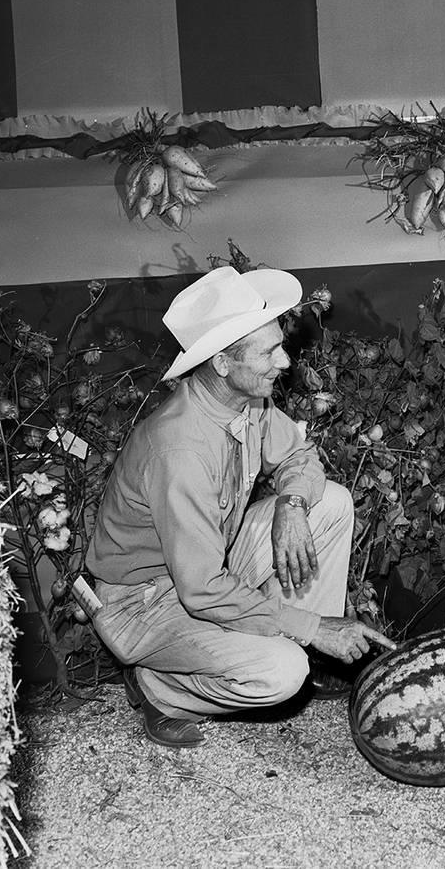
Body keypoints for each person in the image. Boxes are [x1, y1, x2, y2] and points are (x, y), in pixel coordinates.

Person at [86, 265, 394, 749]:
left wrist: (291, 503)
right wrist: (314, 627)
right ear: (223, 363)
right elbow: (204, 590)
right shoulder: (181, 450)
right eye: (269, 352)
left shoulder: (247, 402)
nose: (286, 363)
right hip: (143, 603)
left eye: (281, 345)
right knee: (279, 674)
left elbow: (298, 455)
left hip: (205, 565)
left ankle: (299, 647)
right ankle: (159, 687)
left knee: (328, 502)